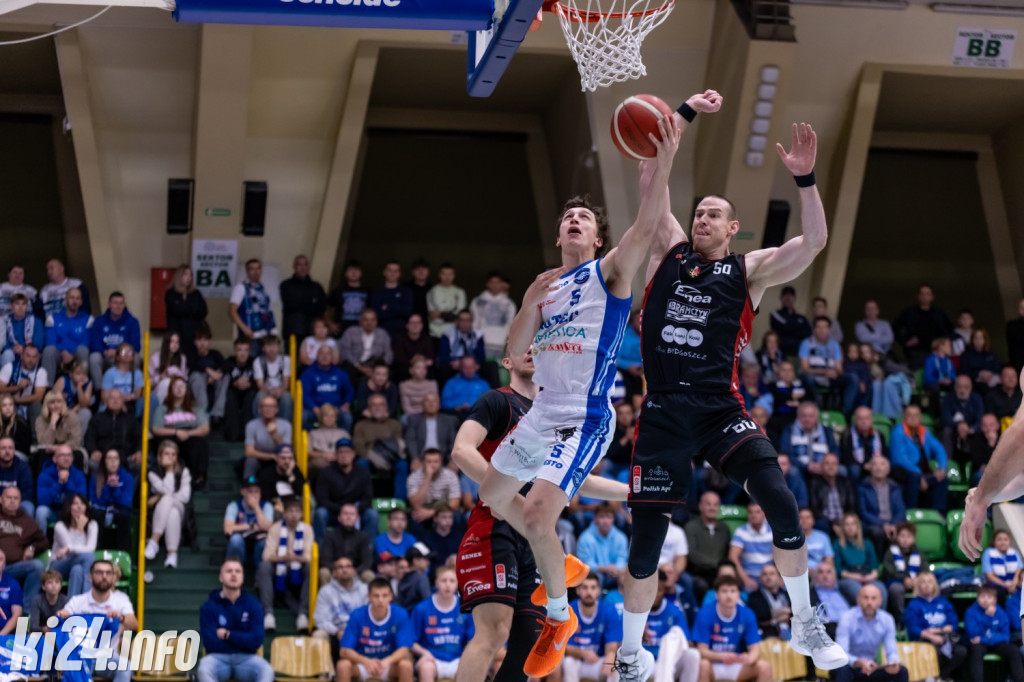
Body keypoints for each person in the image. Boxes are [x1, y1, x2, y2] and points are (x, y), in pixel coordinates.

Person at [477, 107, 685, 679]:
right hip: (542, 410)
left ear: (597, 238)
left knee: (536, 515)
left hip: (585, 413)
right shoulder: (545, 288)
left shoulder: (610, 272)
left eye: (583, 218)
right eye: (567, 216)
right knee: (493, 495)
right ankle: (561, 560)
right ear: (558, 235)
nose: (573, 220)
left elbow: (646, 226)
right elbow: (513, 351)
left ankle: (558, 616)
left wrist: (664, 161)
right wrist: (527, 304)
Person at [57, 557, 137, 682]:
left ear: (113, 577)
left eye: (108, 573)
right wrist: (62, 616)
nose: (104, 576)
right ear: (90, 577)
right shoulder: (77, 601)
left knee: (125, 666)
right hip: (80, 656)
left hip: (106, 658)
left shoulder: (121, 600)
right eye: (99, 572)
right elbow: (59, 621)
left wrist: (121, 617)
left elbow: (134, 624)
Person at [197, 558, 274, 682]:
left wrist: (228, 635)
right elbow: (210, 643)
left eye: (238, 571)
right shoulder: (208, 607)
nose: (234, 574)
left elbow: (256, 640)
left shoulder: (253, 605)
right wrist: (243, 640)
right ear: (221, 577)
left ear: (242, 577)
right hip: (218, 658)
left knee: (267, 670)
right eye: (229, 571)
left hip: (247, 658)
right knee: (204, 669)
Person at [691, 575, 769, 682]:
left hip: (736, 663)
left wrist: (748, 658)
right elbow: (701, 650)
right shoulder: (705, 613)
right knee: (703, 664)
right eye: (724, 591)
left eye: (733, 591)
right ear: (716, 595)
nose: (729, 596)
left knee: (764, 666)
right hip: (713, 664)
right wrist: (721, 656)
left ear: (738, 594)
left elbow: (755, 648)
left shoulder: (747, 614)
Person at [338, 577, 414, 682]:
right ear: (369, 596)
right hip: (363, 664)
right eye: (376, 596)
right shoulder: (357, 615)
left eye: (385, 595)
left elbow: (404, 649)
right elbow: (344, 651)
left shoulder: (400, 614)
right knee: (343, 665)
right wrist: (366, 661)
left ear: (391, 596)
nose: (380, 600)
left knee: (406, 665)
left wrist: (386, 661)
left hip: (388, 664)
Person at [257, 496, 311, 631]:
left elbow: (309, 557)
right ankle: (268, 614)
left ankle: (303, 614)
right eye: (290, 511)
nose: (294, 515)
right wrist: (283, 557)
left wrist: (294, 557)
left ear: (302, 514)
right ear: (284, 514)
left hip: (299, 569)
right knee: (264, 566)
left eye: (297, 511)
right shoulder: (275, 528)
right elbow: (266, 555)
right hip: (279, 569)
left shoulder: (307, 529)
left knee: (311, 568)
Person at [410, 566, 472, 682]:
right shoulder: (422, 608)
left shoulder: (465, 608)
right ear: (436, 583)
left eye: (452, 581)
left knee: (472, 667)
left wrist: (467, 656)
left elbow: (472, 640)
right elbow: (411, 642)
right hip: (432, 659)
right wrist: (424, 653)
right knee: (426, 667)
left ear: (457, 584)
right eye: (444, 580)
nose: (447, 585)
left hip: (457, 659)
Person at [835, 583, 906, 682]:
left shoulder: (887, 619)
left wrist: (893, 662)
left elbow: (891, 651)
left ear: (880, 601)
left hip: (872, 666)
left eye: (873, 598)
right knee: (842, 669)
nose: (869, 602)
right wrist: (858, 662)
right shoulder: (847, 617)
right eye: (865, 598)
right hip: (850, 666)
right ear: (858, 600)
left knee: (902, 671)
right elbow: (841, 653)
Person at [902, 571, 965, 682]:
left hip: (945, 637)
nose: (927, 585)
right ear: (918, 585)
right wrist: (931, 636)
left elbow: (953, 624)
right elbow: (913, 628)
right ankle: (931, 677)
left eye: (930, 582)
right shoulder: (913, 605)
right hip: (924, 639)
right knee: (933, 649)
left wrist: (938, 630)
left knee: (961, 651)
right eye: (923, 582)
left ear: (934, 585)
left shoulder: (944, 602)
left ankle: (941, 677)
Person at [559, 572, 622, 682]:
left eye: (593, 588)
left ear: (598, 591)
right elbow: (563, 647)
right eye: (585, 587)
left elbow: (612, 644)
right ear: (578, 590)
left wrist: (611, 655)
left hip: (598, 661)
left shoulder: (608, 610)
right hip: (577, 661)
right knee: (568, 662)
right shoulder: (568, 611)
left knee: (615, 664)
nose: (589, 592)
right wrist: (583, 653)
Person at [151, 375, 210, 489]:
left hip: (191, 434)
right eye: (175, 386)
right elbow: (156, 429)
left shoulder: (195, 408)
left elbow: (205, 428)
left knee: (200, 443)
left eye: (182, 386)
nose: (179, 389)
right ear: (171, 390)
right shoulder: (162, 408)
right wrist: (176, 432)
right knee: (165, 443)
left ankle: (197, 478)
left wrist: (188, 433)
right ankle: (168, 476)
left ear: (186, 390)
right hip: (171, 433)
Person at [312, 439, 374, 541]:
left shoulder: (363, 473)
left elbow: (367, 498)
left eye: (347, 452)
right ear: (335, 455)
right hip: (334, 511)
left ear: (353, 454)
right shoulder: (325, 473)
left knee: (372, 515)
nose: (344, 455)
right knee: (320, 513)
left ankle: (368, 547)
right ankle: (320, 547)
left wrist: (355, 509)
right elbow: (322, 499)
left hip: (355, 511)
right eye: (340, 452)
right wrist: (341, 509)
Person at [890, 404, 948, 511]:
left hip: (920, 473)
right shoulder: (898, 432)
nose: (913, 418)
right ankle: (912, 512)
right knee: (914, 478)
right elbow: (900, 459)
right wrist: (919, 475)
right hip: (903, 472)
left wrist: (942, 467)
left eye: (916, 415)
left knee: (942, 479)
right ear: (903, 417)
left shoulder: (923, 431)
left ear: (920, 418)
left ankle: (937, 514)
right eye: (910, 415)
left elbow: (939, 449)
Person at [645, 569, 701, 682]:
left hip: (668, 663)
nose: (655, 594)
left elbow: (686, 643)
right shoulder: (634, 611)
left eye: (659, 590)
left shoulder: (674, 611)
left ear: (664, 590)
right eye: (651, 589)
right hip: (642, 663)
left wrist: (669, 644)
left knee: (692, 654)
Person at [145, 440, 191, 568]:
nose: (170, 457)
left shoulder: (184, 471)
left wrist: (158, 496)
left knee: (167, 499)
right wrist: (169, 473)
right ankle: (172, 554)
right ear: (159, 456)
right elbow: (167, 490)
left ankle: (154, 540)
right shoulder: (152, 472)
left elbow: (185, 497)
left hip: (181, 508)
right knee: (172, 513)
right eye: (166, 454)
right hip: (159, 512)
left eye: (173, 454)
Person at [965, 585, 1024, 682]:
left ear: (995, 600)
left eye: (989, 597)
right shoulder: (971, 612)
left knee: (1013, 650)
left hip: (992, 642)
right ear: (977, 598)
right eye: (982, 596)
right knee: (975, 649)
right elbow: (973, 634)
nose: (985, 600)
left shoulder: (1000, 612)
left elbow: (1005, 635)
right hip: (980, 645)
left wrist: (985, 639)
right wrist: (988, 617)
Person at [0, 486, 46, 610]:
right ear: (1, 499)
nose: (12, 501)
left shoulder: (27, 521)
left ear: (20, 501)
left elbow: (44, 541)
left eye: (16, 498)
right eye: (9, 497)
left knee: (37, 566)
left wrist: (32, 547)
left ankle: (26, 612)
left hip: (13, 567)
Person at [799, 316, 856, 412]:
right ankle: (812, 409)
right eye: (819, 327)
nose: (822, 330)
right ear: (814, 330)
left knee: (852, 378)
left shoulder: (835, 345)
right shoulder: (806, 343)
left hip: (831, 377)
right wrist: (825, 372)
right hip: (813, 376)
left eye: (825, 327)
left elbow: (839, 368)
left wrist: (835, 372)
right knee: (808, 378)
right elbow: (805, 368)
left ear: (829, 330)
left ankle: (845, 413)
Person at [88, 292, 141, 389]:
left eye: (121, 303)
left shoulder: (132, 322)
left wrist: (118, 352)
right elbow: (94, 343)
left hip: (124, 356)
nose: (118, 306)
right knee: (93, 357)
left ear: (124, 305)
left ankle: (132, 389)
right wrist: (105, 352)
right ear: (109, 304)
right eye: (115, 303)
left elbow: (136, 345)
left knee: (136, 357)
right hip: (105, 356)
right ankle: (99, 391)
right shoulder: (99, 321)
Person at [833, 513, 886, 608]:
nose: (850, 527)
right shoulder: (837, 544)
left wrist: (869, 577)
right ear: (843, 527)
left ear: (858, 527)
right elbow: (839, 570)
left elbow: (874, 567)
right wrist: (855, 577)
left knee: (880, 589)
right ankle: (862, 616)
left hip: (867, 576)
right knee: (859, 591)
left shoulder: (867, 543)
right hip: (848, 578)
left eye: (853, 524)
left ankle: (879, 616)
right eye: (847, 524)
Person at [894, 285, 952, 370]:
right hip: (916, 352)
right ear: (918, 296)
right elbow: (895, 328)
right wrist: (905, 342)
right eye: (922, 294)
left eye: (927, 294)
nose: (925, 296)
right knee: (918, 375)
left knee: (938, 374)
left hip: (937, 352)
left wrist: (944, 345)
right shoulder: (909, 313)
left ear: (932, 297)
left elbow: (950, 330)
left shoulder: (939, 314)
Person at [857, 456, 906, 556]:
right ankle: (879, 561)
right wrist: (883, 524)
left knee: (903, 531)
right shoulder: (863, 487)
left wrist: (893, 524)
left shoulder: (895, 487)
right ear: (870, 468)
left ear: (888, 470)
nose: (878, 468)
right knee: (877, 532)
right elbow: (863, 512)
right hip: (873, 523)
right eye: (875, 464)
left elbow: (901, 510)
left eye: (882, 464)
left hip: (893, 522)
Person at [313, 555, 368, 643]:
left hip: (359, 632)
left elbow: (370, 617)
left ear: (354, 571)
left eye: (348, 566)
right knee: (319, 634)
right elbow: (320, 620)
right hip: (335, 633)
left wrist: (355, 631)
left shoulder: (365, 590)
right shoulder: (325, 591)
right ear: (334, 573)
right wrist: (337, 631)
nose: (344, 570)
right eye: (340, 567)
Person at [84, 390, 142, 474]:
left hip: (126, 457)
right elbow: (89, 438)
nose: (115, 401)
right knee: (91, 464)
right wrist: (93, 450)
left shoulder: (131, 420)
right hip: (102, 457)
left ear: (123, 401)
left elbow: (139, 438)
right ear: (106, 401)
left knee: (139, 464)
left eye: (118, 398)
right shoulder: (97, 419)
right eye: (112, 398)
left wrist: (138, 451)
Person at [42, 287, 93, 382]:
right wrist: (63, 352)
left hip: (76, 353)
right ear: (65, 300)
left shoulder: (88, 319)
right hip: (59, 353)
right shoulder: (52, 318)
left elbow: (86, 342)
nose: (74, 301)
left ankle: (83, 385)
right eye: (72, 298)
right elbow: (50, 341)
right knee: (49, 350)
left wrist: (70, 354)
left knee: (83, 350)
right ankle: (47, 387)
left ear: (81, 302)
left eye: (77, 298)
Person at [50, 493, 96, 596]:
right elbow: (72, 553)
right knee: (88, 557)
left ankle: (73, 604)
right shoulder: (60, 526)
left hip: (79, 565)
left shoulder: (92, 525)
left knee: (77, 570)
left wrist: (69, 547)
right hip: (59, 565)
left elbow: (91, 548)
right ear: (69, 507)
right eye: (75, 503)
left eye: (83, 504)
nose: (79, 507)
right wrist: (79, 530)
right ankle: (88, 598)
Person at [89, 449, 134, 552]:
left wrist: (115, 488)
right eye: (109, 458)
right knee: (95, 515)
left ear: (119, 461)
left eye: (116, 458)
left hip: (119, 510)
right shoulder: (96, 477)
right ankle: (95, 551)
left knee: (125, 516)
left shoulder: (127, 477)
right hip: (101, 510)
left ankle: (123, 553)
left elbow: (125, 502)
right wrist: (107, 487)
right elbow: (95, 501)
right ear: (104, 461)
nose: (113, 461)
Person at [405, 448, 459, 534]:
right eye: (429, 462)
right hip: (422, 509)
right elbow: (416, 504)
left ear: (441, 463)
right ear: (422, 462)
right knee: (415, 518)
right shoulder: (413, 478)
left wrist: (432, 513)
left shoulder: (450, 476)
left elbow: (454, 504)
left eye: (436, 462)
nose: (432, 465)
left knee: (458, 517)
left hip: (443, 508)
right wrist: (427, 477)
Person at [229, 258, 277, 357]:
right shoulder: (241, 288)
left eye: (258, 268)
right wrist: (244, 328)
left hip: (264, 336)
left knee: (263, 363)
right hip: (250, 337)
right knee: (251, 361)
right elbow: (232, 311)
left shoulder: (262, 289)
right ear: (247, 271)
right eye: (252, 269)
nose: (255, 272)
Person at [301, 344, 354, 431]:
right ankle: (309, 438)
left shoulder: (340, 373)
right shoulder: (308, 373)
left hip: (336, 408)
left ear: (332, 357)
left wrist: (346, 404)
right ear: (317, 356)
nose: (325, 356)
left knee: (346, 417)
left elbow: (349, 391)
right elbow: (305, 395)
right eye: (322, 353)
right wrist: (315, 409)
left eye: (328, 354)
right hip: (315, 408)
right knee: (304, 416)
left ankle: (342, 438)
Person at [224, 476, 273, 569]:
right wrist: (252, 526)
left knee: (264, 543)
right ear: (242, 492)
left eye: (256, 492)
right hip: (241, 540)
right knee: (235, 540)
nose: (254, 495)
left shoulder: (266, 506)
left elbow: (267, 527)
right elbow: (228, 528)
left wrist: (256, 507)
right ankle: (236, 572)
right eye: (250, 491)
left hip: (258, 541)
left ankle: (259, 576)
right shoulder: (234, 506)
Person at [319, 503, 375, 584]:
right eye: (345, 514)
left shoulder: (363, 536)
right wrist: (338, 569)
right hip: (335, 570)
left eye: (352, 514)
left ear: (357, 519)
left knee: (369, 575)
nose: (349, 517)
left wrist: (354, 571)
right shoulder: (330, 535)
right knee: (323, 572)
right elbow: (325, 559)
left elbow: (367, 561)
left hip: (355, 571)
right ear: (339, 518)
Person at [779, 401, 838, 477]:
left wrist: (825, 465)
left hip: (823, 467)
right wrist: (806, 467)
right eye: (804, 416)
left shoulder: (827, 431)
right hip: (799, 468)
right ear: (798, 417)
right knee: (793, 471)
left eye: (811, 416)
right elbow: (786, 454)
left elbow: (834, 452)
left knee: (842, 470)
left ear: (816, 417)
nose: (807, 419)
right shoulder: (789, 430)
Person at [577, 503, 628, 590]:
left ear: (613, 519)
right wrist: (605, 569)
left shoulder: (621, 537)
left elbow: (622, 560)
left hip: (616, 573)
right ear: (595, 518)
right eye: (601, 517)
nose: (605, 521)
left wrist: (617, 569)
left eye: (608, 517)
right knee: (596, 577)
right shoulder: (585, 538)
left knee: (626, 574)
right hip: (595, 574)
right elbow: (585, 564)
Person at [35, 444, 87, 529]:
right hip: (53, 511)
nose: (66, 459)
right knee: (41, 511)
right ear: (55, 459)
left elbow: (81, 499)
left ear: (72, 458)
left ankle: (77, 537)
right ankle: (40, 538)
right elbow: (42, 501)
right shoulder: (45, 475)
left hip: (71, 512)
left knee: (81, 510)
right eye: (62, 455)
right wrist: (59, 484)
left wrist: (67, 482)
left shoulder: (79, 475)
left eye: (69, 455)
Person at [881, 521, 925, 618]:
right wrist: (904, 579)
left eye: (909, 536)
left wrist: (917, 580)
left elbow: (925, 571)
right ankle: (900, 618)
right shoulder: (891, 551)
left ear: (914, 538)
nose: (905, 540)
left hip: (915, 582)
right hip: (896, 582)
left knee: (927, 584)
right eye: (902, 536)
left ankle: (923, 617)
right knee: (896, 589)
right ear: (897, 537)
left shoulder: (919, 553)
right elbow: (889, 571)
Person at [280, 254, 327, 343]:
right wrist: (311, 302)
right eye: (299, 264)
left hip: (312, 332)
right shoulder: (286, 285)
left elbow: (322, 307)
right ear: (294, 267)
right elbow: (290, 305)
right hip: (293, 331)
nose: (302, 268)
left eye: (305, 264)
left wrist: (303, 303)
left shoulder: (316, 287)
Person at [164, 264, 207, 361]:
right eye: (185, 274)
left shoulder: (196, 294)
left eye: (190, 275)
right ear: (179, 276)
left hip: (193, 335)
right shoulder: (171, 293)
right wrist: (191, 309)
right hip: (177, 334)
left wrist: (186, 309)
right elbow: (176, 310)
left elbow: (203, 311)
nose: (188, 277)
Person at [728, 503, 773, 594]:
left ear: (764, 514)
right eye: (750, 512)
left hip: (770, 575)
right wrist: (745, 579)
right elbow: (732, 557)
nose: (754, 515)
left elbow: (782, 556)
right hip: (749, 576)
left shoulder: (772, 531)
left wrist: (780, 577)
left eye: (757, 512)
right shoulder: (741, 532)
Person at [470, 271, 517, 360]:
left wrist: (508, 343)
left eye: (497, 282)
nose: (495, 285)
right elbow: (474, 323)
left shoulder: (509, 304)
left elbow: (510, 325)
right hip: (482, 345)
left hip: (501, 345)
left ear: (501, 284)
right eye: (492, 282)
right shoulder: (477, 302)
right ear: (487, 284)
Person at [808, 453, 856, 535]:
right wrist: (832, 524)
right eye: (827, 464)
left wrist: (846, 522)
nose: (831, 467)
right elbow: (814, 509)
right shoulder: (814, 483)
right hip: (825, 522)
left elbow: (851, 505)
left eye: (834, 464)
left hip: (844, 520)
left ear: (838, 466)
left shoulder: (845, 482)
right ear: (821, 466)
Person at [437, 309, 488, 384]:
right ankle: (445, 390)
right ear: (457, 321)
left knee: (491, 366)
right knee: (443, 367)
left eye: (467, 320)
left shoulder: (478, 335)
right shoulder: (447, 334)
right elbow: (443, 356)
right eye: (462, 320)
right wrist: (458, 363)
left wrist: (472, 363)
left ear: (471, 321)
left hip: (472, 363)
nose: (465, 323)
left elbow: (481, 356)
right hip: (454, 363)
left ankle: (492, 391)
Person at [0, 344, 47, 423]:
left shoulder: (41, 372)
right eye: (28, 356)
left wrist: (15, 400)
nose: (31, 360)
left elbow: (38, 397)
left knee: (36, 406)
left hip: (27, 406)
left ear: (38, 359)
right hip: (8, 404)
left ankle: (35, 431)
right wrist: (17, 388)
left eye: (34, 357)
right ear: (22, 356)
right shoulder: (10, 367)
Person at [222, 339, 258, 441]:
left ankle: (248, 434)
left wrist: (250, 384)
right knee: (229, 396)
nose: (243, 354)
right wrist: (235, 383)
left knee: (251, 395)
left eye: (246, 350)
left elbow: (260, 381)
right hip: (233, 391)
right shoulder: (229, 362)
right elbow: (223, 380)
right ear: (235, 351)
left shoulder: (254, 362)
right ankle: (232, 434)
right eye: (240, 350)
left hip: (249, 391)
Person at [841, 407, 887, 484]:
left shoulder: (879, 435)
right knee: (854, 469)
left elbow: (884, 454)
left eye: (867, 418)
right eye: (860, 419)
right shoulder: (848, 435)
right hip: (857, 465)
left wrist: (875, 464)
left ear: (872, 420)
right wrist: (864, 466)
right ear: (855, 420)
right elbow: (846, 458)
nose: (864, 422)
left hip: (875, 464)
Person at [100, 342, 144, 419]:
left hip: (130, 403)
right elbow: (104, 396)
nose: (127, 354)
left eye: (129, 352)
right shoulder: (110, 373)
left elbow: (138, 394)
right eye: (123, 352)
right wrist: (119, 403)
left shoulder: (138, 373)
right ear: (117, 357)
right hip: (113, 401)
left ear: (133, 357)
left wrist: (129, 398)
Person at [252, 335, 293, 418]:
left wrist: (280, 390)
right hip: (266, 390)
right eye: (268, 346)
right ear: (263, 348)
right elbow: (260, 384)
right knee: (260, 396)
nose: (272, 349)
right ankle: (259, 423)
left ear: (278, 347)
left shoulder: (286, 360)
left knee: (287, 398)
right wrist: (269, 391)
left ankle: (284, 424)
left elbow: (286, 382)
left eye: (274, 346)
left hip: (281, 390)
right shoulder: (258, 361)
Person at [748, 564, 793, 639]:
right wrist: (783, 612)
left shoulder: (787, 594)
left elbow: (796, 613)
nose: (768, 577)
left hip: (791, 634)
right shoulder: (754, 596)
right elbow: (761, 615)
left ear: (780, 578)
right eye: (765, 574)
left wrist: (772, 617)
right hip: (766, 636)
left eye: (772, 574)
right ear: (760, 579)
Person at [372, 261, 415, 339]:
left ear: (399, 274)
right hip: (381, 333)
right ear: (384, 272)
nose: (392, 273)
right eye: (390, 270)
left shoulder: (406, 291)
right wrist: (398, 308)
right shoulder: (377, 292)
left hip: (402, 334)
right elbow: (376, 314)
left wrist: (388, 307)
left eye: (395, 271)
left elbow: (407, 311)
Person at [0, 293, 43, 367]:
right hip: (13, 352)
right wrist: (14, 348)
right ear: (12, 306)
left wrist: (24, 348)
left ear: (26, 307)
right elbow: (4, 342)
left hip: (30, 352)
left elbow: (39, 342)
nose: (20, 307)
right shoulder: (6, 321)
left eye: (23, 304)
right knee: (7, 354)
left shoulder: (35, 321)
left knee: (31, 354)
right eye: (17, 304)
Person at [329, 259, 370, 334]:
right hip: (341, 331)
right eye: (350, 269)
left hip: (362, 332)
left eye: (356, 269)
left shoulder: (369, 291)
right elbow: (328, 309)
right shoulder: (338, 290)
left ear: (361, 272)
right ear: (345, 273)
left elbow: (373, 312)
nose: (353, 272)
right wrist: (330, 324)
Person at [258, 444, 304, 511]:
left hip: (295, 508)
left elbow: (301, 492)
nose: (287, 461)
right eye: (283, 458)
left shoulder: (296, 472)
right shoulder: (267, 474)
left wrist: (290, 475)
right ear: (276, 458)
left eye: (290, 458)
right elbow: (265, 497)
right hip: (276, 508)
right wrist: (276, 505)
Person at [35, 389, 84, 454]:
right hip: (49, 450)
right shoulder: (40, 420)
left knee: (78, 454)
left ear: (63, 404)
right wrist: (52, 424)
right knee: (41, 454)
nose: (56, 405)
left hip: (69, 449)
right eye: (52, 402)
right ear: (47, 405)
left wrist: (59, 448)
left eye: (59, 402)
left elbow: (76, 441)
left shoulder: (72, 417)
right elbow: (43, 443)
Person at [770, 286, 812, 359]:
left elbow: (807, 333)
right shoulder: (776, 314)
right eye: (785, 294)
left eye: (791, 295)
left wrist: (791, 330)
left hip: (798, 355)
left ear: (795, 298)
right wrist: (798, 329)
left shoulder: (801, 318)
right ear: (781, 297)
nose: (788, 297)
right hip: (780, 353)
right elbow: (784, 328)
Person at [190, 324, 224, 412]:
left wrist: (218, 374)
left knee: (225, 376)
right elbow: (192, 366)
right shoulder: (192, 356)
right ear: (195, 342)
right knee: (197, 376)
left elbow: (226, 366)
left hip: (215, 384)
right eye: (199, 340)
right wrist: (208, 371)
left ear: (209, 342)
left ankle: (217, 413)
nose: (202, 343)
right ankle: (202, 412)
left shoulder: (215, 354)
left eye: (205, 340)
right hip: (199, 384)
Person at [426, 264, 466, 339]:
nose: (447, 277)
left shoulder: (460, 292)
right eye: (444, 274)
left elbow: (460, 316)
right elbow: (434, 318)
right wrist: (450, 315)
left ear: (454, 276)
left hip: (455, 334)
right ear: (439, 275)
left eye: (450, 274)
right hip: (436, 334)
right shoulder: (432, 292)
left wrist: (441, 314)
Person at [392, 315, 435, 382]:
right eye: (412, 323)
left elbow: (430, 359)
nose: (415, 325)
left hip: (422, 366)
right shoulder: (399, 338)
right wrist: (416, 361)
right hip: (405, 367)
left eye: (418, 323)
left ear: (422, 326)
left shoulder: (427, 339)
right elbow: (399, 358)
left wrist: (418, 363)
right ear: (407, 325)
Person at [53, 360, 92, 434]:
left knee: (86, 413)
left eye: (84, 374)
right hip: (61, 413)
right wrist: (72, 410)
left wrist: (79, 387)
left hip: (75, 414)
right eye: (78, 374)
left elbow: (84, 405)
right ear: (71, 374)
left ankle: (78, 440)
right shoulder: (62, 381)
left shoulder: (87, 384)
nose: (81, 377)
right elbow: (53, 402)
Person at [981, 528, 1021, 599]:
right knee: (999, 593)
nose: (1003, 542)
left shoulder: (1014, 552)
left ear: (1009, 542)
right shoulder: (988, 553)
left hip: (1014, 582)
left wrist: (1014, 583)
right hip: (997, 584)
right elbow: (989, 576)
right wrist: (1005, 585)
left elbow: (1019, 571)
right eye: (999, 540)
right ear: (994, 542)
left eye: (1006, 540)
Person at [960, 328, 1003, 392]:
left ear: (985, 340)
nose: (978, 341)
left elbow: (998, 368)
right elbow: (964, 371)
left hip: (992, 381)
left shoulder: (991, 353)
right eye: (976, 338)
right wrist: (979, 374)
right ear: (972, 340)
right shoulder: (966, 354)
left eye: (981, 338)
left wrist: (990, 373)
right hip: (974, 384)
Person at [0, 436, 34, 515]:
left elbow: (28, 492)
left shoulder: (23, 467)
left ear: (14, 450)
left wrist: (11, 500)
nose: (7, 451)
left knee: (28, 507)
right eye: (3, 448)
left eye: (10, 448)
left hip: (18, 501)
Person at [799, 508, 834, 573]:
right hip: (799, 574)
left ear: (813, 520)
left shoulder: (823, 536)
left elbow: (829, 559)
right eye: (801, 518)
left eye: (807, 517)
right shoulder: (791, 539)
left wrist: (821, 571)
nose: (804, 520)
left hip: (820, 573)